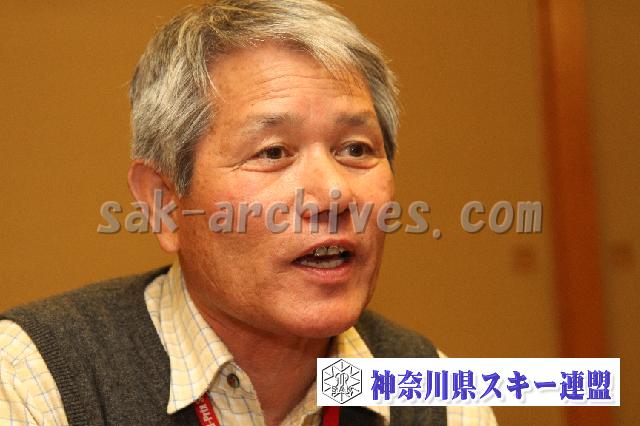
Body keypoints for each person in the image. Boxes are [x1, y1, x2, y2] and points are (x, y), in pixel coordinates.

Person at [0, 1, 496, 425]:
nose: (332, 195)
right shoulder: (32, 379)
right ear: (165, 204)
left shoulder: (441, 396)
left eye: (355, 149)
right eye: (273, 152)